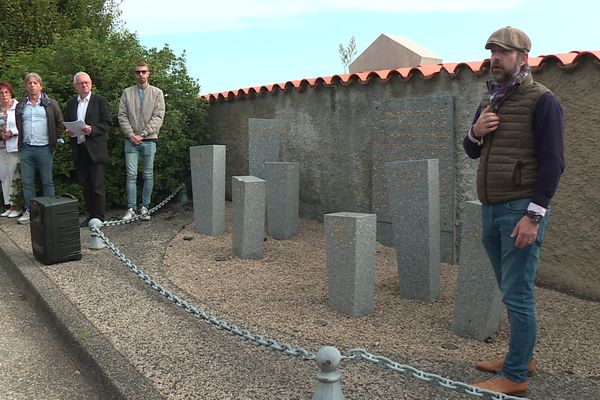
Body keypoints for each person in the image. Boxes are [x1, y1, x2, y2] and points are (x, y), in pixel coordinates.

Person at [464, 27, 564, 396]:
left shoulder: (543, 100)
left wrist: (533, 216)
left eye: (504, 52)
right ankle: (521, 356)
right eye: (492, 51)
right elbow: (472, 150)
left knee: (518, 293)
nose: (495, 58)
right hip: (491, 209)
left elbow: (554, 163)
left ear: (524, 57)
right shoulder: (490, 100)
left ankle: (516, 375)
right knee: (510, 290)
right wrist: (476, 131)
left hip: (520, 210)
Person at [14, 73, 64, 225]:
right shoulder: (21, 105)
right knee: (27, 182)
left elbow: (60, 123)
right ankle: (31, 211)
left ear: (41, 86)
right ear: (26, 86)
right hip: (26, 148)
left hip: (44, 148)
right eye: (29, 83)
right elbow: (18, 124)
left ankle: (50, 212)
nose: (32, 85)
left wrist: (54, 139)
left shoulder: (51, 104)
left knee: (47, 181)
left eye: (35, 83)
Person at [118, 61, 165, 221]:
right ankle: (131, 208)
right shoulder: (127, 93)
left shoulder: (157, 93)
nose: (141, 75)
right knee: (131, 175)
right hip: (130, 141)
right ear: (134, 74)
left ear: (149, 73)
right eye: (138, 72)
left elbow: (158, 117)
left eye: (144, 72)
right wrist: (131, 134)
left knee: (148, 175)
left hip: (149, 140)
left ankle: (145, 208)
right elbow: (122, 116)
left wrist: (143, 134)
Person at [64, 72, 111, 227]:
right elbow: (68, 123)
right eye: (81, 83)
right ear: (75, 86)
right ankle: (90, 215)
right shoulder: (71, 104)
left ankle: (100, 217)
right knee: (85, 184)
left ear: (91, 84)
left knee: (97, 185)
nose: (84, 85)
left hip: (95, 148)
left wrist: (92, 129)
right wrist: (69, 132)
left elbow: (107, 123)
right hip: (79, 147)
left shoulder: (99, 101)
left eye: (87, 82)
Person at [0, 82, 22, 218]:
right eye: (1, 93)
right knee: (4, 176)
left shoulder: (18, 107)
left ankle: (17, 205)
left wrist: (12, 132)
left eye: (6, 92)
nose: (4, 95)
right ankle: (9, 205)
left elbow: (24, 125)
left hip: (13, 146)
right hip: (1, 147)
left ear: (10, 93)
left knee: (14, 175)